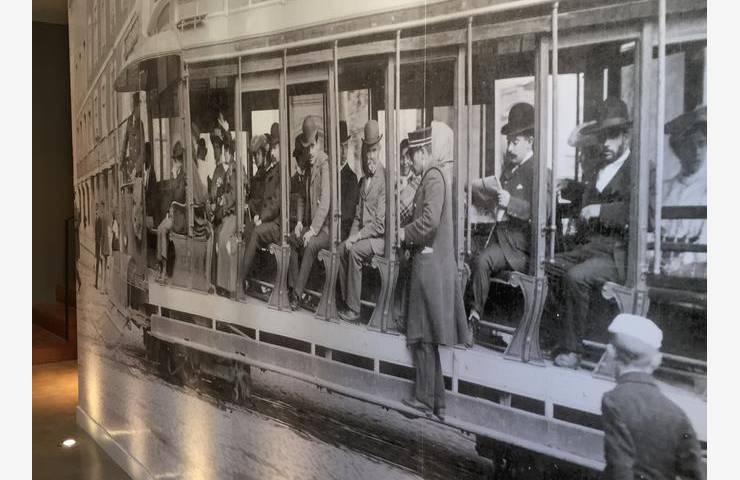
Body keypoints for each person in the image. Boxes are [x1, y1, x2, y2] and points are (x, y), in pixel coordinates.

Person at [549, 97, 634, 369]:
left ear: (626, 136)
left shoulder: (638, 170)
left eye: (612, 136)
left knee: (576, 276)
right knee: (547, 266)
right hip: (590, 249)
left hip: (616, 253)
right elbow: (591, 195)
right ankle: (558, 335)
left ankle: (574, 350)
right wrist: (570, 186)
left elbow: (642, 211)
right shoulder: (599, 169)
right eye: (603, 137)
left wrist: (600, 211)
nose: (606, 143)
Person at [399, 121, 472, 420]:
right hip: (433, 264)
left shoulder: (432, 177)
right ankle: (438, 402)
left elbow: (428, 222)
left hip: (428, 266)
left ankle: (424, 400)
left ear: (423, 152)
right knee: (427, 334)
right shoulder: (436, 176)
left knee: (422, 335)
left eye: (412, 156)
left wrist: (404, 233)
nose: (410, 162)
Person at [601, 314, 704, 480]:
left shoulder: (614, 400)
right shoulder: (677, 413)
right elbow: (695, 473)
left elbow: (619, 468)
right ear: (654, 362)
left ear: (612, 353)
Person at [468, 103, 535, 325]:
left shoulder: (537, 171)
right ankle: (469, 311)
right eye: (509, 142)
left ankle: (475, 314)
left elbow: (540, 211)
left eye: (515, 142)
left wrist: (510, 202)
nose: (510, 148)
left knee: (483, 260)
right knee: (465, 249)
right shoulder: (510, 170)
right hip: (498, 237)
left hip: (517, 247)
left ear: (530, 141)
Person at [337, 120, 386, 322]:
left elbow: (380, 225)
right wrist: (350, 238)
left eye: (374, 151)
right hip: (364, 236)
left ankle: (354, 310)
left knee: (355, 251)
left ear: (379, 150)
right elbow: (358, 215)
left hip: (380, 240)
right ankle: (345, 299)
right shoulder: (365, 179)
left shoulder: (385, 179)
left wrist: (356, 238)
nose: (370, 156)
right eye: (368, 151)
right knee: (341, 249)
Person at [288, 116, 331, 311]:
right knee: (292, 239)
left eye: (313, 146)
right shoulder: (307, 166)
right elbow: (301, 198)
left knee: (311, 244)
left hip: (325, 229)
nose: (310, 151)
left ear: (319, 143)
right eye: (308, 147)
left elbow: (326, 201)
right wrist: (299, 222)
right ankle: (296, 288)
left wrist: (312, 230)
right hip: (312, 227)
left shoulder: (324, 164)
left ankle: (296, 295)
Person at [660, 105, 707, 278]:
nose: (696, 152)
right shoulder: (663, 190)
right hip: (660, 272)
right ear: (677, 149)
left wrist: (681, 266)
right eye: (689, 145)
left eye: (701, 144)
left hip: (695, 277)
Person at [241, 131, 282, 294]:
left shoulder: (280, 172)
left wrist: (261, 217)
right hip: (268, 219)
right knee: (248, 229)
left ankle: (241, 279)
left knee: (255, 231)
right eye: (272, 149)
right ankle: (250, 279)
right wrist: (259, 216)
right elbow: (264, 200)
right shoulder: (271, 171)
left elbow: (275, 203)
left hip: (277, 223)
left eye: (275, 149)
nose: (272, 153)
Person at [155, 142, 187, 283]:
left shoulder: (183, 176)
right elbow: (171, 197)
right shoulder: (178, 176)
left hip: (181, 216)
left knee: (163, 230)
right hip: (174, 213)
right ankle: (160, 265)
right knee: (159, 228)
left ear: (180, 162)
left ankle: (164, 269)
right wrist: (169, 210)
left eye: (176, 160)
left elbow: (178, 196)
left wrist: (173, 177)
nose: (174, 163)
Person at [339, 120, 359, 241]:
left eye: (346, 146)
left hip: (343, 233)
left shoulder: (352, 178)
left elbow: (347, 215)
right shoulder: (328, 174)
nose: (343, 151)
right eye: (340, 146)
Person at [120, 92, 145, 182]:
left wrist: (137, 168)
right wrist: (121, 160)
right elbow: (125, 141)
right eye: (139, 107)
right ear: (135, 108)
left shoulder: (140, 124)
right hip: (130, 166)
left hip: (138, 169)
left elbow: (143, 150)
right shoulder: (129, 121)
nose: (140, 111)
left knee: (138, 188)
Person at [94, 203, 102, 289]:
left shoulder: (100, 219)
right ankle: (96, 282)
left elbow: (100, 232)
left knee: (99, 262)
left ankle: (97, 282)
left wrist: (99, 241)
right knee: (97, 260)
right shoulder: (96, 219)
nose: (96, 211)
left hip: (99, 243)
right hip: (97, 243)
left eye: (97, 210)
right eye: (96, 210)